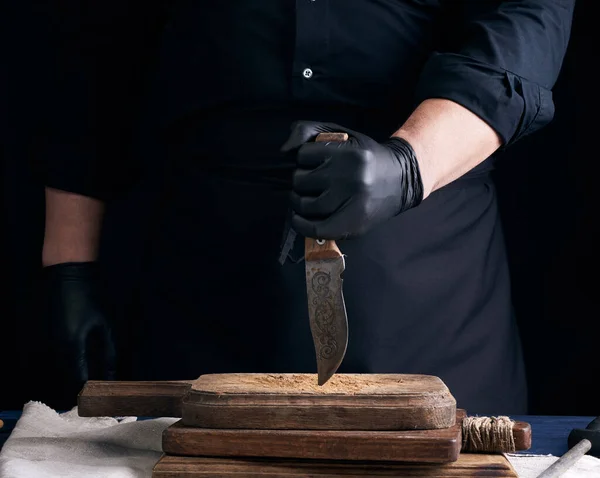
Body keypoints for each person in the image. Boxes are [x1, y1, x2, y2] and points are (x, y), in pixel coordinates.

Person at [30, 1, 575, 414]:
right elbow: (91, 52)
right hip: (196, 306)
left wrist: (409, 165)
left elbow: (525, 20)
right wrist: (69, 269)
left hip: (430, 310)